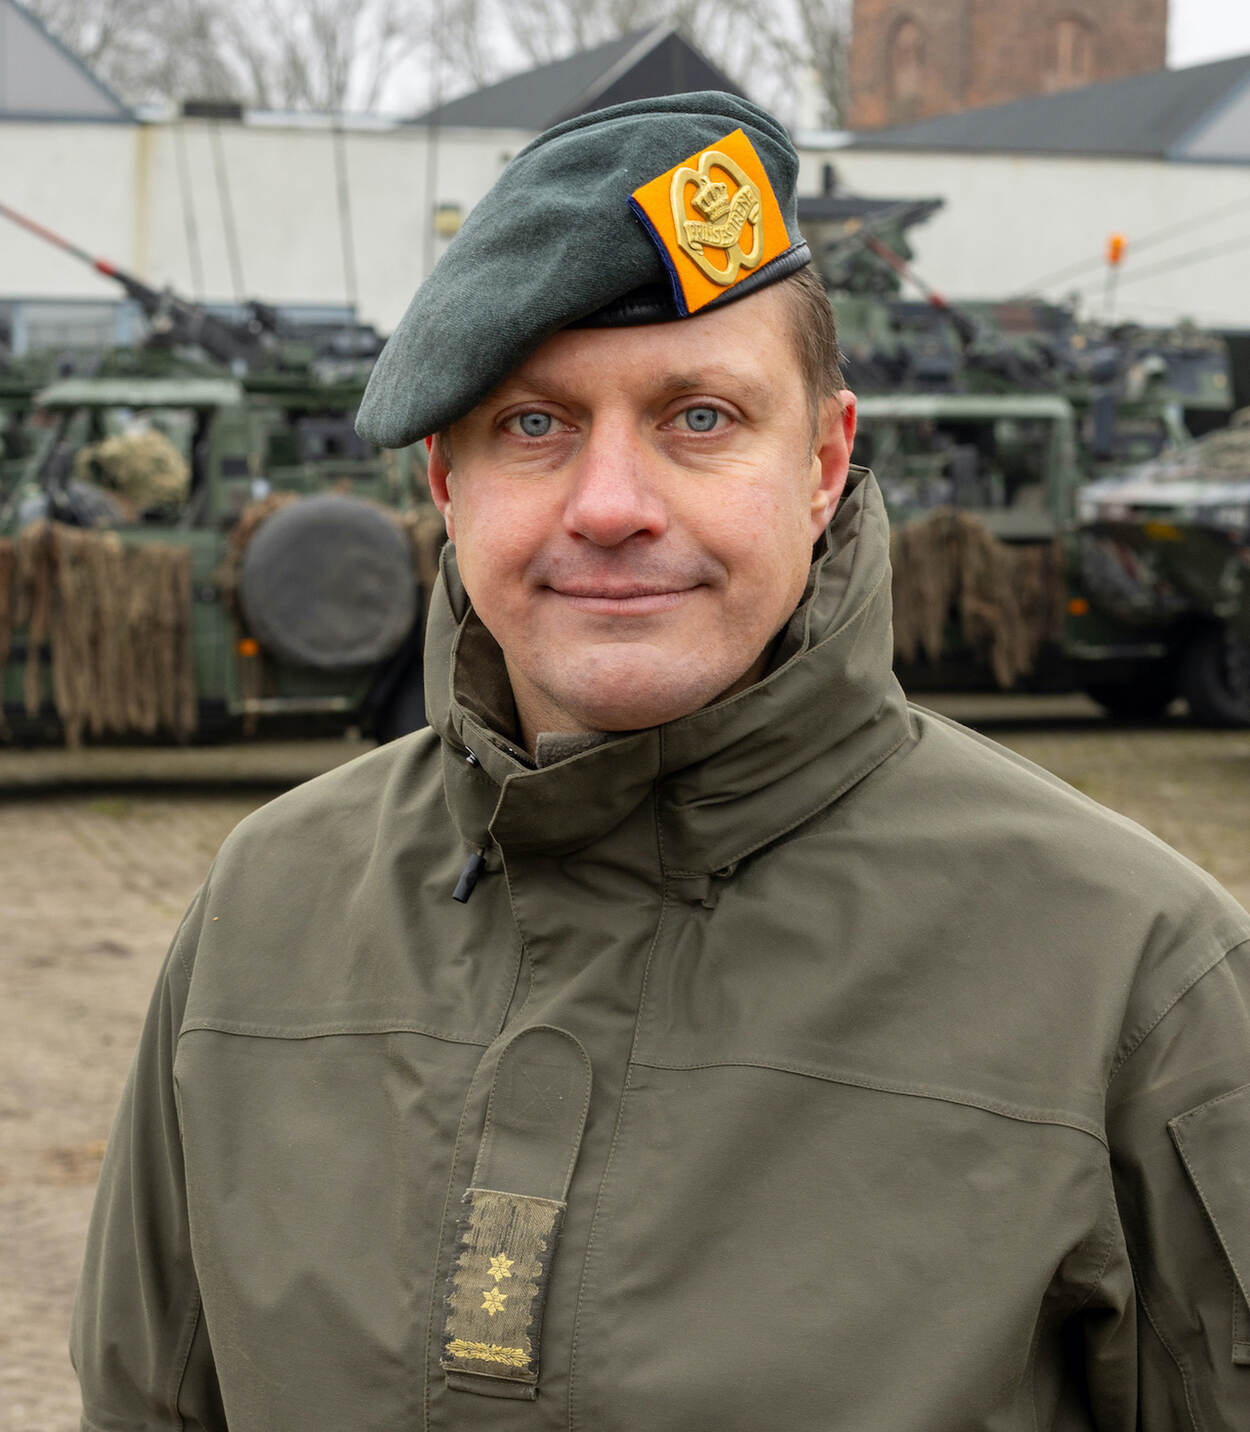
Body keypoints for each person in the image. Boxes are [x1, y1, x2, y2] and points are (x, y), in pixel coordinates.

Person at [73, 92, 1250, 1431]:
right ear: (446, 484)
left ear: (822, 461)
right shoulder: (263, 913)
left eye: (699, 417)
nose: (612, 506)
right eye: (533, 425)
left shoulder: (1129, 974)